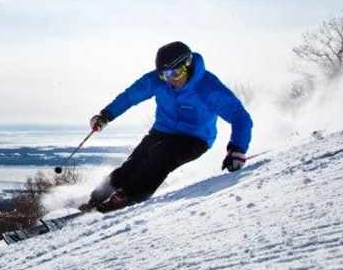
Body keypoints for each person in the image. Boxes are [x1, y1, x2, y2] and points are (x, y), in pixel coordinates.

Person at [81, 41, 253, 213]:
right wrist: (106, 115)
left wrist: (237, 149)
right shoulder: (157, 80)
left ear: (187, 66)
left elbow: (240, 117)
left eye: (175, 73)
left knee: (161, 156)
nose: (171, 80)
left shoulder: (208, 88)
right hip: (162, 131)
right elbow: (130, 96)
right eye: (165, 75)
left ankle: (129, 195)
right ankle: (97, 197)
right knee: (135, 161)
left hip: (195, 138)